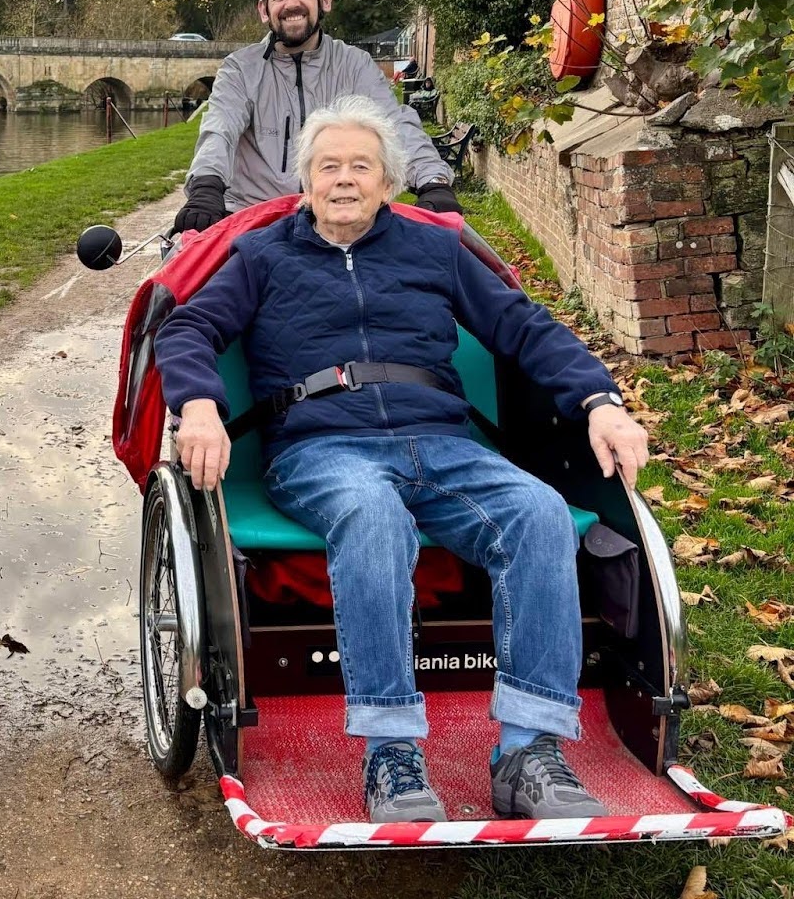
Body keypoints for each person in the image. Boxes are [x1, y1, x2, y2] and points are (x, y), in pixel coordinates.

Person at [154, 96, 649, 824]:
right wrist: (198, 404)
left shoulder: (435, 250)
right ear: (305, 183)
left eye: (362, 166)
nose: (344, 179)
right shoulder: (262, 257)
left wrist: (600, 402)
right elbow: (189, 328)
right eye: (329, 166)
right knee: (373, 515)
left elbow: (525, 327)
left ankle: (528, 752)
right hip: (322, 448)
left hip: (442, 442)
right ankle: (391, 752)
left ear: (388, 183)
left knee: (539, 512)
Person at [174, 0, 458, 233]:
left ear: (325, 0)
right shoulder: (240, 69)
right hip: (255, 218)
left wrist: (433, 181)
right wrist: (206, 185)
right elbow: (220, 129)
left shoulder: (354, 64)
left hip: (335, 217)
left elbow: (394, 124)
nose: (292, 3)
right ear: (264, 9)